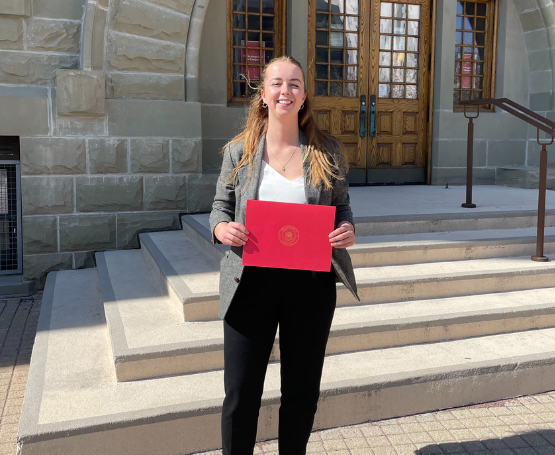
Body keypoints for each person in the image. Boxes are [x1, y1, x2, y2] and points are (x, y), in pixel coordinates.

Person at [209, 55, 359, 455]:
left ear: (304, 96)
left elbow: (342, 206)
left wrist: (347, 229)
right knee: (240, 395)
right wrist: (222, 229)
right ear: (263, 94)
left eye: (294, 84)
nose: (285, 91)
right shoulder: (239, 151)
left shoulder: (326, 152)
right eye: (277, 83)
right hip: (249, 283)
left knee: (302, 391)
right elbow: (219, 209)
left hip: (309, 284)